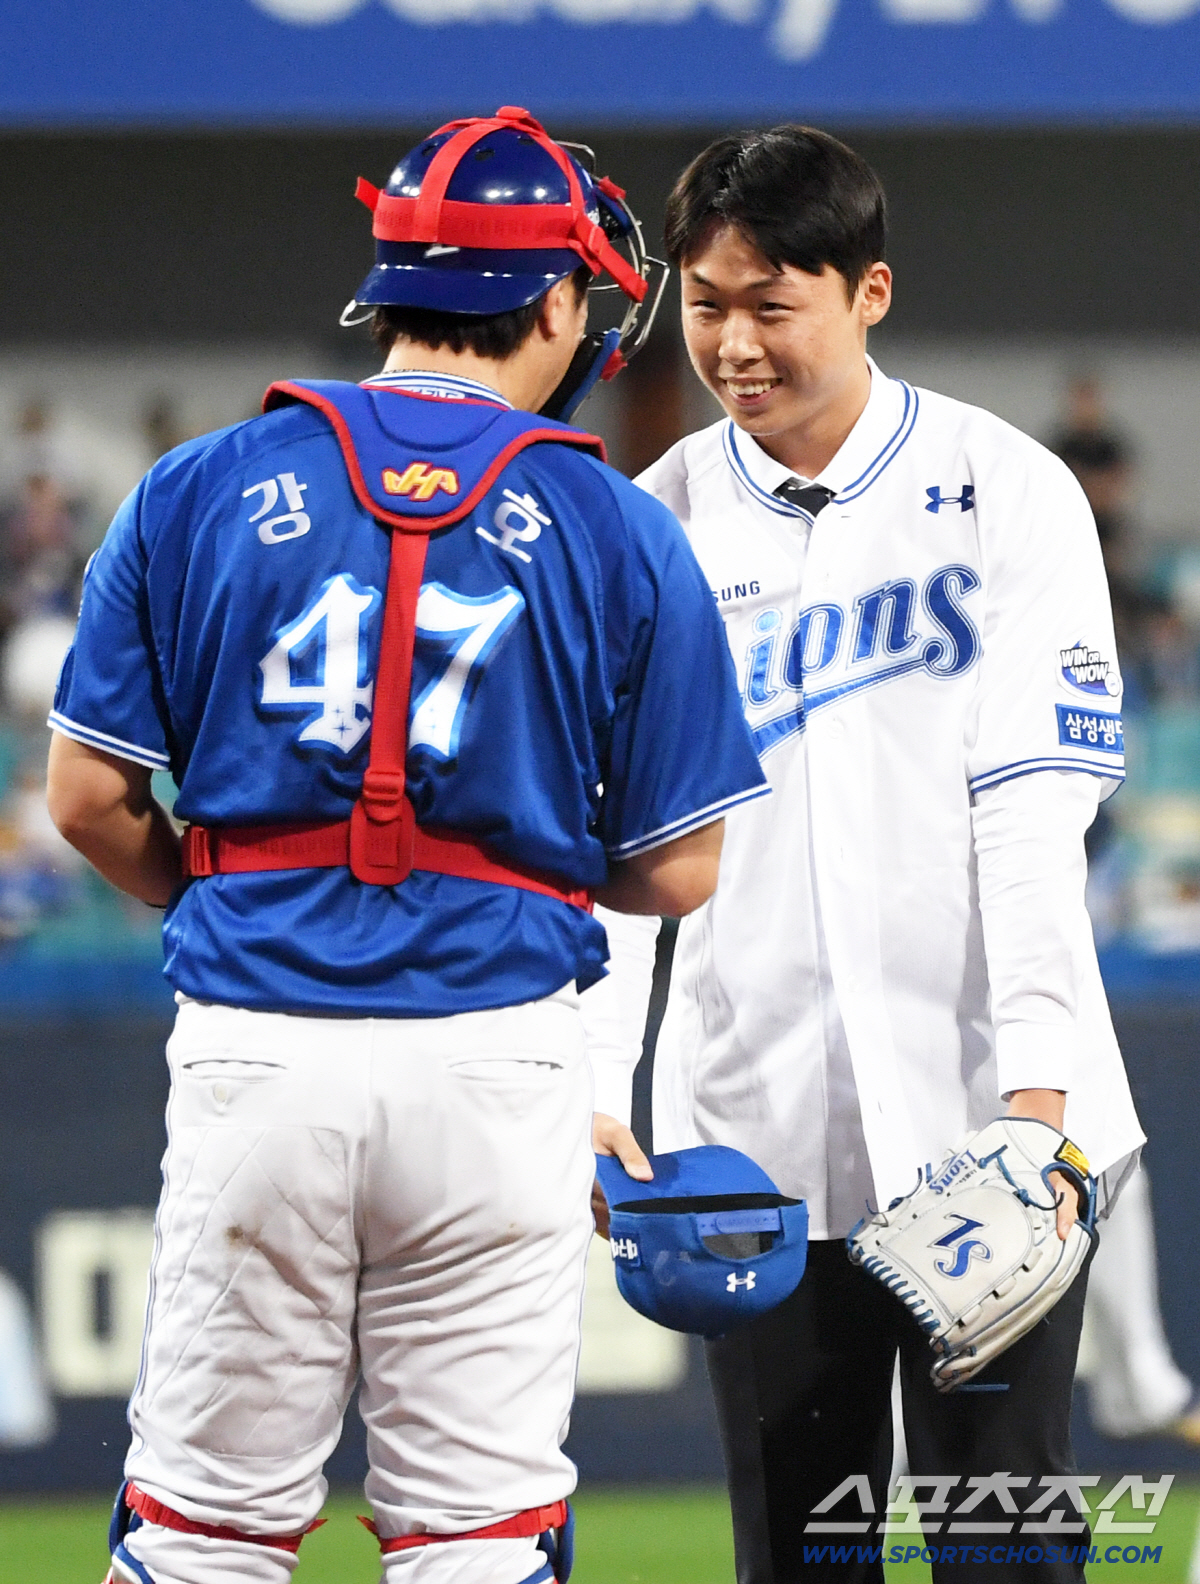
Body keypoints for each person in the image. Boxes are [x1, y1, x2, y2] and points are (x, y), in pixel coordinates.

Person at [45, 106, 767, 1584]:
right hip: (497, 1059)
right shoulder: (619, 526)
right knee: (479, 1534)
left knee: (198, 1526)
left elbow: (83, 799)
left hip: (258, 1040)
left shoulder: (196, 484)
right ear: (557, 299)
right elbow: (685, 869)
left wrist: (244, 891)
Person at [585, 126, 1144, 1582]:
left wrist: (1037, 1114)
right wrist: (593, 1093)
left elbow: (1032, 818)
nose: (734, 342)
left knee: (1001, 1550)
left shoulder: (1005, 487)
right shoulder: (656, 525)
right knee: (799, 1553)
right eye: (707, 304)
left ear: (870, 290)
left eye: (774, 304)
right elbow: (625, 857)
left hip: (985, 1124)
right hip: (754, 1139)